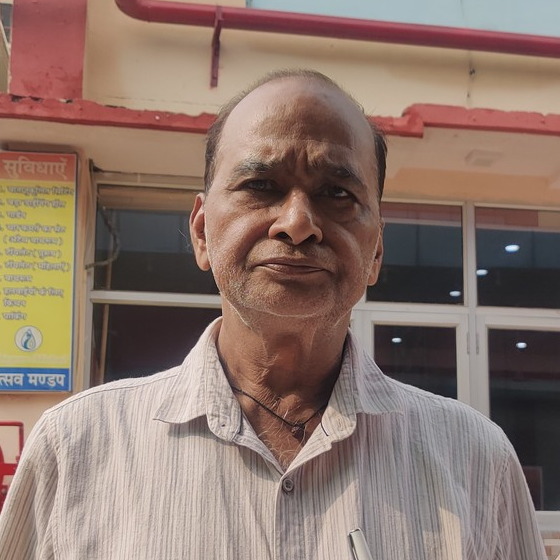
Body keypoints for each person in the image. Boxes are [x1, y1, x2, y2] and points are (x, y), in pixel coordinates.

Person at [0, 70, 546, 560]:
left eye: (336, 193)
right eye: (260, 186)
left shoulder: (476, 462)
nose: (297, 223)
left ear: (377, 249)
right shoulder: (76, 449)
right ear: (201, 231)